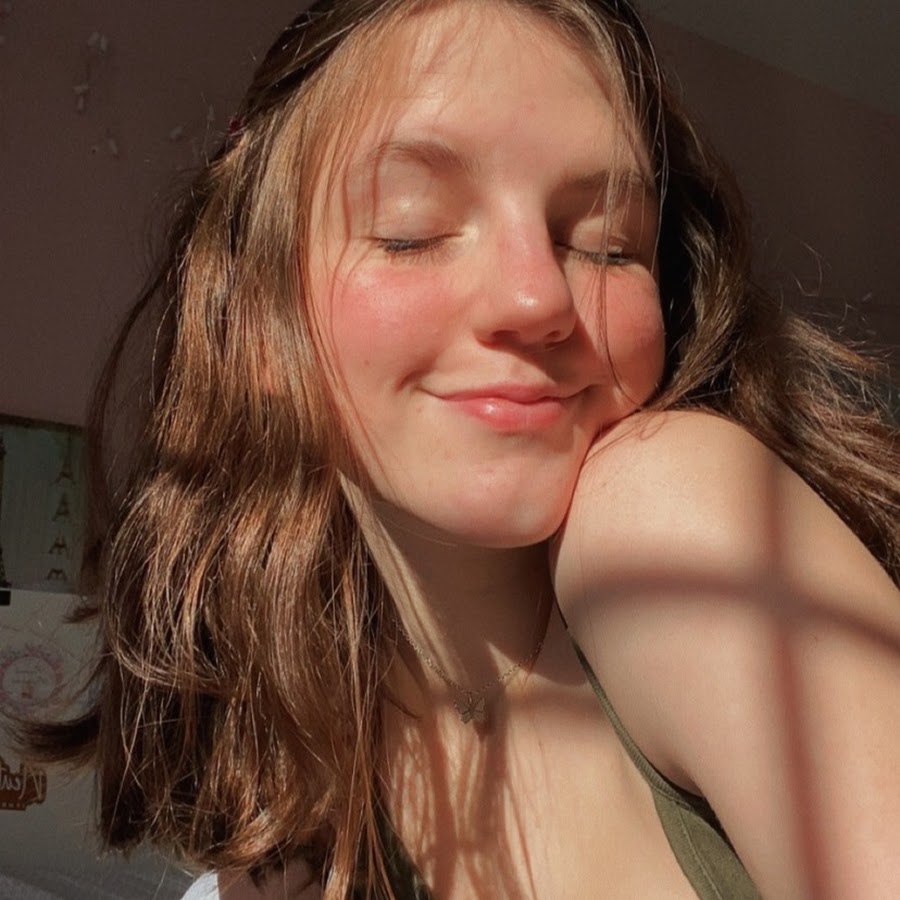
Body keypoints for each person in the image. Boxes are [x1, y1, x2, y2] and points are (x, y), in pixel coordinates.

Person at [30, 0, 899, 897]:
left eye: (607, 245)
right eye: (412, 230)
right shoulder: (280, 813)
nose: (537, 297)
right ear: (256, 323)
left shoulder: (669, 515)